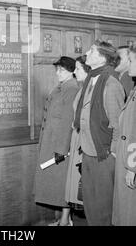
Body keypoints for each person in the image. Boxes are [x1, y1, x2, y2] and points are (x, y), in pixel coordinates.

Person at [73, 40, 125, 226]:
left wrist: (112, 153)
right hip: (88, 152)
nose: (87, 52)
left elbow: (119, 126)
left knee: (103, 208)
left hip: (103, 155)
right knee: (90, 204)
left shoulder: (111, 84)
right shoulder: (91, 79)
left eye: (92, 50)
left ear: (102, 57)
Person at [34, 56, 79, 226]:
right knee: (56, 185)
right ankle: (60, 219)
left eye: (63, 70)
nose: (58, 73)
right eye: (57, 69)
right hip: (52, 142)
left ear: (72, 71)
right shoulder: (60, 87)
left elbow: (68, 121)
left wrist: (61, 149)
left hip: (60, 147)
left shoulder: (72, 88)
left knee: (63, 185)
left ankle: (66, 220)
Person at [113, 44, 136, 225]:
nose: (129, 63)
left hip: (132, 161)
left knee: (129, 212)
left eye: (132, 59)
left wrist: (132, 167)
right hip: (126, 156)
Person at [65, 55, 91, 212]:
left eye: (78, 68)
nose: (74, 72)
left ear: (88, 70)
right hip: (77, 138)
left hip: (84, 141)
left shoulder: (90, 89)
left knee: (82, 185)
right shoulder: (83, 88)